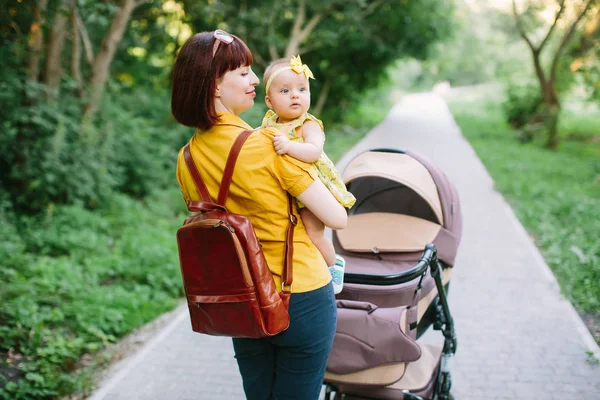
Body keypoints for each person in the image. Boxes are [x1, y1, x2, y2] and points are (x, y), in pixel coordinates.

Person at [171, 30, 347, 400]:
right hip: (299, 295)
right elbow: (336, 216)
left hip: (243, 299)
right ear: (214, 85)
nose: (254, 80)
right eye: (243, 72)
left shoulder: (186, 158)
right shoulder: (268, 145)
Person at [261, 55, 356, 294]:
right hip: (288, 189)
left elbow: (314, 151)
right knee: (296, 235)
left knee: (314, 234)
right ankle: (310, 270)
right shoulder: (268, 124)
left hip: (314, 187)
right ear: (269, 101)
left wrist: (290, 146)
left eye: (302, 89)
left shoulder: (308, 124)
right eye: (285, 90)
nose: (295, 95)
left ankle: (334, 266)